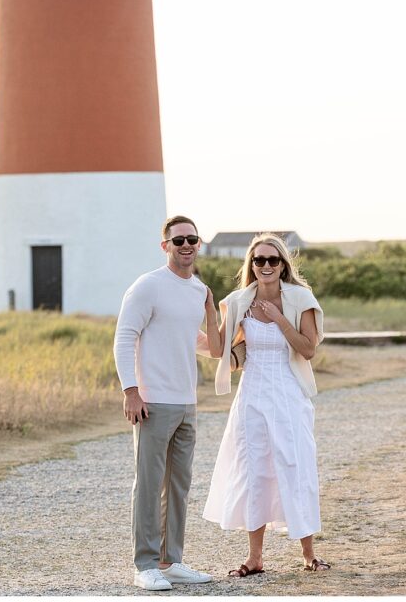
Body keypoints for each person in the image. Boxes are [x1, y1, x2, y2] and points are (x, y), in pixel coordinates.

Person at [202, 233, 331, 576]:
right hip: (252, 395)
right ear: (251, 265)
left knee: (294, 465)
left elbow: (307, 349)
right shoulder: (240, 302)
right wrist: (205, 314)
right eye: (258, 260)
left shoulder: (300, 298)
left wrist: (277, 317)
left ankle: (308, 553)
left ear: (283, 265)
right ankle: (255, 557)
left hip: (288, 394)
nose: (266, 266)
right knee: (254, 470)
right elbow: (226, 352)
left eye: (273, 260)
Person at [113, 215, 216, 591]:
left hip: (186, 402)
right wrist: (130, 390)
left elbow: (196, 340)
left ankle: (170, 561)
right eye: (178, 240)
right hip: (152, 402)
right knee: (149, 483)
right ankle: (144, 564)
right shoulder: (148, 286)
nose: (185, 245)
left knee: (178, 484)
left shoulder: (198, 290)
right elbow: (125, 337)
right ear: (166, 246)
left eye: (191, 239)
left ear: (198, 243)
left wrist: (236, 338)